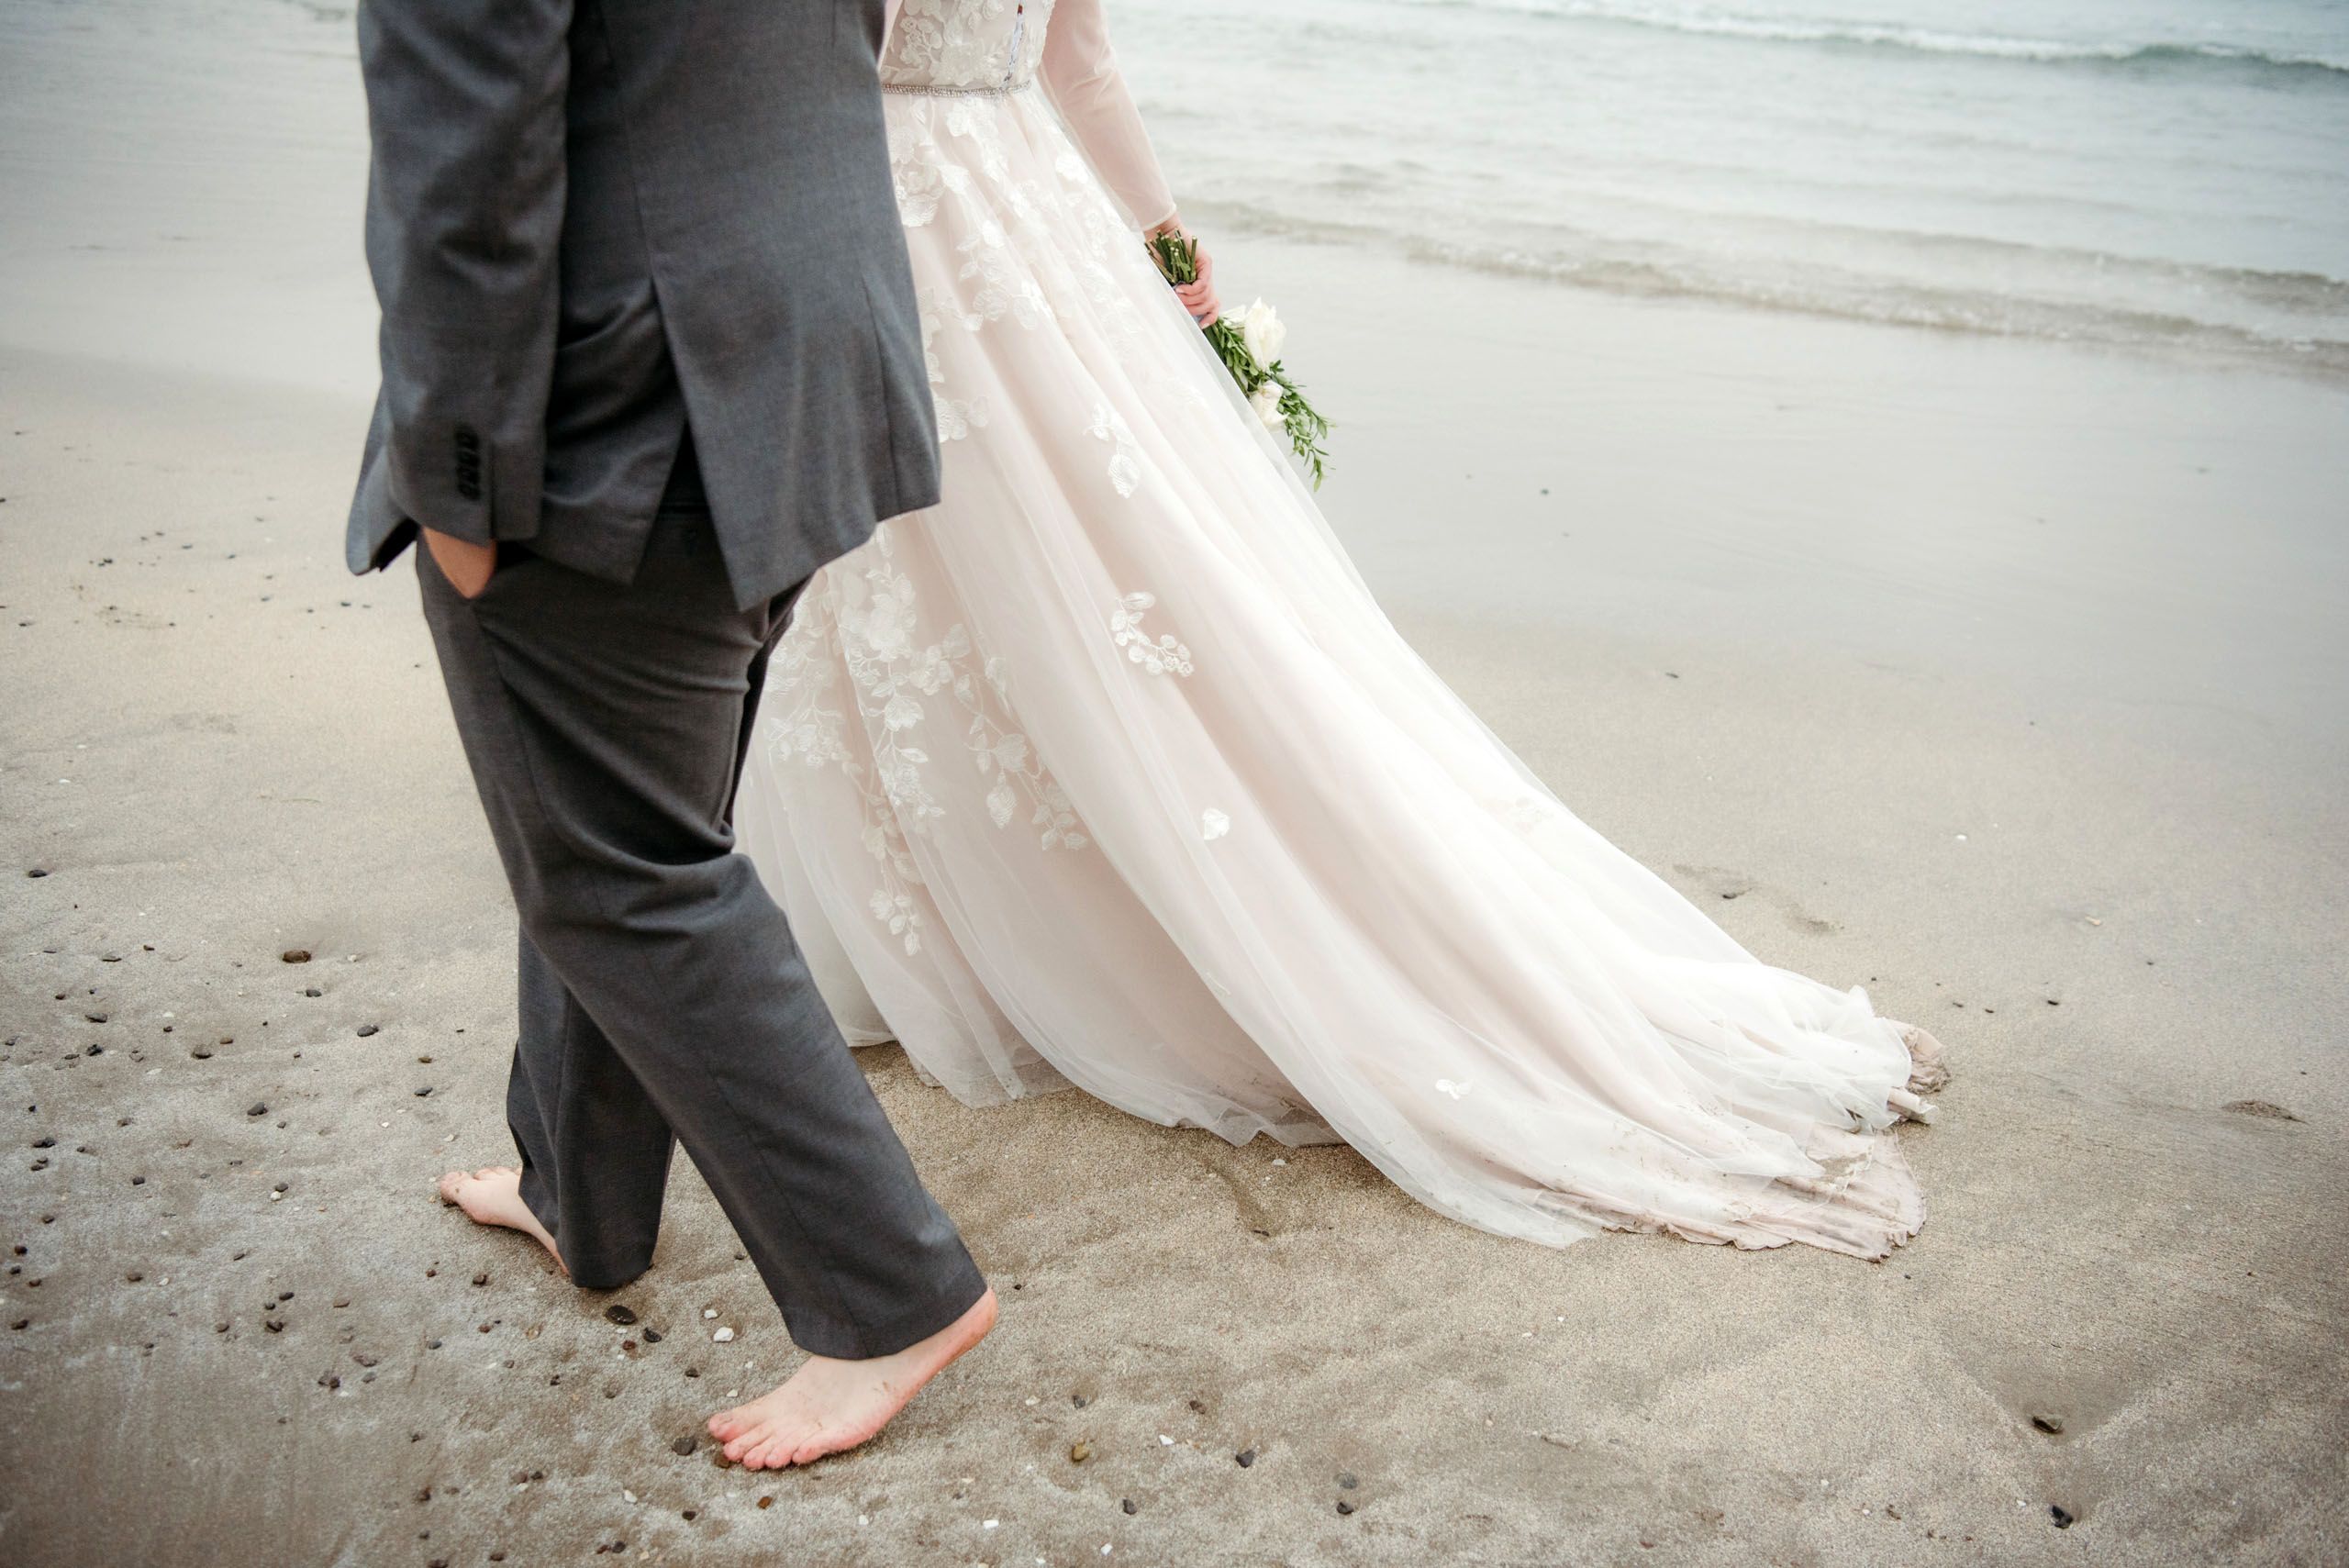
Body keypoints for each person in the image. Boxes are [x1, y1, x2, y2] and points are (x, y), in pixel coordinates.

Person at [738, 0, 1950, 1271]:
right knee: (1067, 582)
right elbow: (1078, 56)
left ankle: (970, 931)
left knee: (943, 575)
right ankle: (993, 914)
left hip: (882, 216)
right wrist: (1164, 245)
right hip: (1026, 212)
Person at [346, 0, 993, 1472]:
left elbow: (465, 131)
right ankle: (581, 1189)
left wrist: (457, 475)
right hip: (803, 345)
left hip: (614, 397)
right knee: (619, 821)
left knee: (626, 871)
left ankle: (889, 1295)